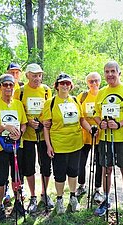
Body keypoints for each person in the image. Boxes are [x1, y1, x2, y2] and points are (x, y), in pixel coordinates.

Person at [93, 61, 123, 220]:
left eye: (113, 71)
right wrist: (101, 123)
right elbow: (95, 113)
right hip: (105, 138)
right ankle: (106, 200)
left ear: (119, 73)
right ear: (104, 74)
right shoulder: (101, 92)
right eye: (107, 71)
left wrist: (119, 124)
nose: (110, 74)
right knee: (107, 170)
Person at [42, 73, 93, 215]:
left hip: (76, 143)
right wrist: (48, 145)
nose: (65, 85)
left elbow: (82, 120)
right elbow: (46, 126)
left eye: (67, 83)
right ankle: (59, 199)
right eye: (62, 83)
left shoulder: (75, 100)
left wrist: (90, 129)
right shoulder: (50, 103)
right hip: (58, 144)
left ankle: (72, 196)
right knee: (59, 174)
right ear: (57, 86)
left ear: (71, 86)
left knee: (73, 171)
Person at [0, 74, 27, 221]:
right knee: (1, 177)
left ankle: (18, 202)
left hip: (16, 145)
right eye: (5, 85)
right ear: (0, 87)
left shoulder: (18, 104)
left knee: (17, 176)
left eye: (11, 85)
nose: (8, 87)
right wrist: (4, 127)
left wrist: (20, 133)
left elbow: (24, 123)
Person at [13, 63, 54, 213]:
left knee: (46, 166)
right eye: (34, 75)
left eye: (39, 75)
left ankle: (44, 194)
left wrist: (44, 122)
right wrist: (27, 121)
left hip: (44, 135)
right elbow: (16, 109)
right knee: (29, 167)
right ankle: (32, 196)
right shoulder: (20, 91)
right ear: (27, 75)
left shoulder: (46, 90)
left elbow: (49, 109)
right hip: (27, 136)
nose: (37, 78)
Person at [75, 72, 103, 203]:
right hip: (84, 135)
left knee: (99, 163)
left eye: (96, 81)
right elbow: (79, 116)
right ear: (87, 83)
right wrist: (89, 129)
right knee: (81, 162)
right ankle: (81, 185)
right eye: (91, 81)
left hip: (100, 135)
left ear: (100, 81)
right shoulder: (82, 96)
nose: (94, 83)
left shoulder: (104, 95)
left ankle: (98, 189)